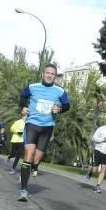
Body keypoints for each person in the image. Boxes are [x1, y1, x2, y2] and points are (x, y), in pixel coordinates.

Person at [17, 64, 70, 201]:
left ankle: (32, 167)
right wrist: (23, 107)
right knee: (28, 154)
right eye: (47, 73)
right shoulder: (32, 87)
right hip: (32, 125)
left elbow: (67, 105)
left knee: (36, 159)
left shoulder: (59, 91)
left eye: (52, 74)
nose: (49, 75)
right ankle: (23, 190)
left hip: (47, 128)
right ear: (43, 74)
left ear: (55, 76)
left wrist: (59, 109)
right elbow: (23, 97)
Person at [85, 117, 106, 193]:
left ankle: (97, 186)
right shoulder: (101, 129)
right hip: (98, 151)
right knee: (95, 170)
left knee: (103, 169)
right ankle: (90, 172)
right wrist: (103, 139)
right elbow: (93, 138)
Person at [5, 109, 26, 174]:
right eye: (25, 116)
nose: (26, 118)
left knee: (18, 155)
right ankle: (9, 157)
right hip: (15, 140)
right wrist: (17, 132)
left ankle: (13, 168)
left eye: (27, 116)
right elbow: (12, 129)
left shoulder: (28, 124)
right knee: (13, 154)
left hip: (22, 141)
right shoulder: (17, 122)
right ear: (22, 116)